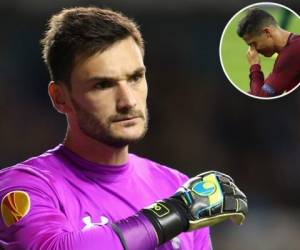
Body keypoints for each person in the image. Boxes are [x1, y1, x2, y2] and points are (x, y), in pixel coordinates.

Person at [0, 7, 247, 250]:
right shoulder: (24, 186)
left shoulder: (175, 185)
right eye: (103, 84)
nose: (128, 100)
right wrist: (175, 213)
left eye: (135, 78)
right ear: (59, 97)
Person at [237, 8, 300, 97]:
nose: (254, 51)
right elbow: (260, 91)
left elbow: (260, 97)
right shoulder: (293, 46)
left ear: (267, 32)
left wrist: (254, 66)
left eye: (253, 44)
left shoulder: (292, 52)